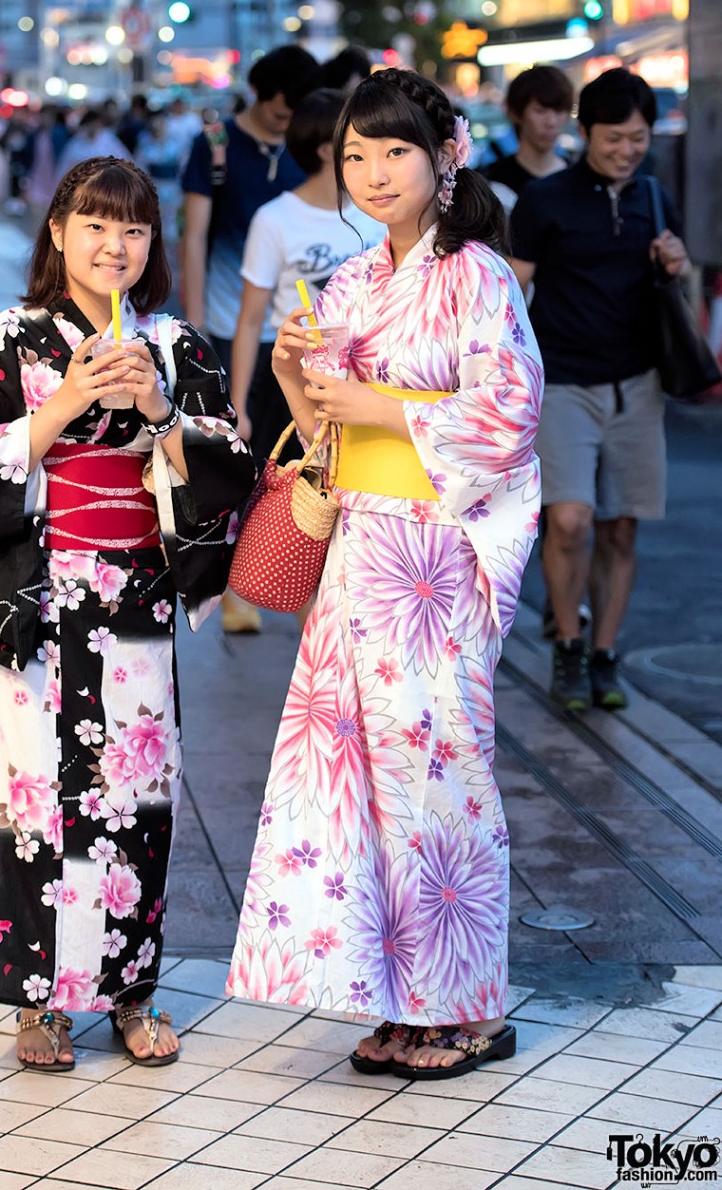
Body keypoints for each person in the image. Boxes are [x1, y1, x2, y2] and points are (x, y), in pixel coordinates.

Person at [227, 68, 544, 1081]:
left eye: (390, 152)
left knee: (438, 773)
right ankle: (393, 997)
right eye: (352, 155)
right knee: (353, 779)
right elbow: (321, 425)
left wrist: (379, 408)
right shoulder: (354, 280)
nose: (367, 173)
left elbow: (507, 413)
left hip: (433, 556)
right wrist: (292, 377)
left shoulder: (478, 275)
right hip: (357, 547)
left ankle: (469, 1007)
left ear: (443, 156)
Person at [0, 157, 254, 1072]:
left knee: (136, 794)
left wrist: (156, 410)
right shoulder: (11, 337)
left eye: (136, 229)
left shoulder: (176, 345)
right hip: (37, 595)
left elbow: (229, 467)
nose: (116, 244)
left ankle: (129, 991)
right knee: (34, 794)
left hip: (133, 592)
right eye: (96, 225)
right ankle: (39, 1002)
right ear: (58, 231)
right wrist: (63, 401)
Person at [510, 68, 690, 714]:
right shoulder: (547, 201)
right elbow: (511, 291)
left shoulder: (653, 196)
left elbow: (675, 283)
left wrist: (675, 260)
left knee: (620, 527)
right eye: (615, 138)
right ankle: (568, 640)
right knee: (569, 519)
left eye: (638, 138)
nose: (627, 150)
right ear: (585, 132)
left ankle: (606, 653)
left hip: (638, 384)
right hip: (563, 382)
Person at [181, 44, 319, 632]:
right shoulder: (216, 147)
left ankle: (279, 570)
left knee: (287, 455)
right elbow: (194, 235)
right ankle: (234, 578)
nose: (288, 128)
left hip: (286, 329)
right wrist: (189, 319)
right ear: (261, 97)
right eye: (281, 115)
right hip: (223, 318)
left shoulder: (307, 152)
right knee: (239, 453)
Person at [229, 87, 385, 466]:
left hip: (369, 375)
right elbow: (250, 320)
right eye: (357, 142)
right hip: (293, 379)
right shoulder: (274, 219)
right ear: (326, 150)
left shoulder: (379, 214)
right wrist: (237, 406)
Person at [483, 66, 574, 210]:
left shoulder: (579, 179)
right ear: (516, 113)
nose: (551, 122)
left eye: (559, 111)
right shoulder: (491, 183)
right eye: (540, 111)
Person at [135, 107, 184, 262]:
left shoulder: (177, 143)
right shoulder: (145, 143)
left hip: (174, 192)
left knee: (172, 235)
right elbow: (139, 169)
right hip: (153, 191)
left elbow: (183, 169)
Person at [55, 109, 131, 184]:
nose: (93, 126)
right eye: (90, 123)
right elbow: (65, 166)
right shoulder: (76, 142)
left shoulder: (109, 139)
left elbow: (123, 158)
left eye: (95, 123)